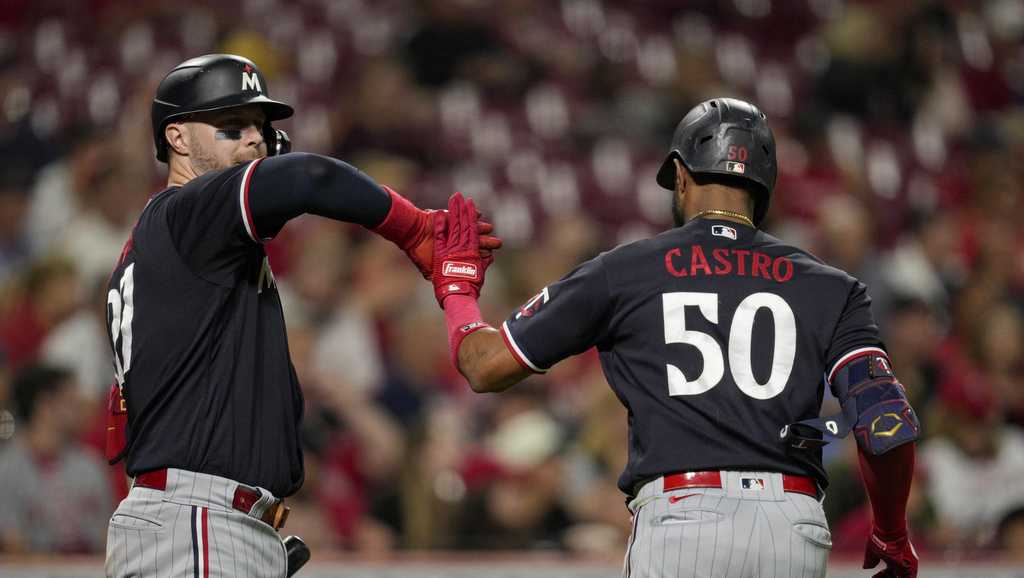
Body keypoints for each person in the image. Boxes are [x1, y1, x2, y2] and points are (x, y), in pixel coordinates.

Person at [428, 98, 920, 577]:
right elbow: (886, 422)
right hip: (793, 528)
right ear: (763, 186)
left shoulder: (624, 271)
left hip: (684, 520)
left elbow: (484, 365)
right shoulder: (833, 287)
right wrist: (892, 531)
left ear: (681, 175)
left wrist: (455, 290)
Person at [102, 53, 499, 578]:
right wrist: (415, 229)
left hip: (208, 521)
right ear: (177, 138)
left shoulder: (181, 246)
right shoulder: (187, 211)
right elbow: (306, 177)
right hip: (198, 524)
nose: (254, 139)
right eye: (230, 127)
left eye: (260, 128)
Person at [0, 364, 112, 554]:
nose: (80, 408)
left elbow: (108, 540)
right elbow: (13, 546)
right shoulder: (7, 468)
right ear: (44, 405)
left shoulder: (91, 464)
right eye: (70, 400)